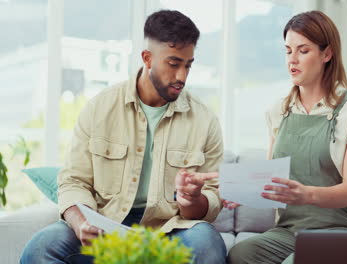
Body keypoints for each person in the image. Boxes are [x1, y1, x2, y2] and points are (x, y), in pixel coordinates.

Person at [20, 10, 226, 264]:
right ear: (147, 58)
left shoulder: (205, 121)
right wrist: (81, 222)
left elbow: (212, 199)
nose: (182, 76)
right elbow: (73, 181)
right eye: (173, 64)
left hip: (171, 231)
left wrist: (193, 200)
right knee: (41, 248)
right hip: (104, 226)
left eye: (188, 65)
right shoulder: (99, 108)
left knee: (208, 244)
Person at [226, 10, 347, 264]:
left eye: (303, 51)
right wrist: (234, 187)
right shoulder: (279, 110)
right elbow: (272, 177)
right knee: (241, 254)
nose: (292, 60)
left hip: (339, 231)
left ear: (326, 54)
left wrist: (307, 195)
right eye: (288, 51)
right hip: (289, 231)